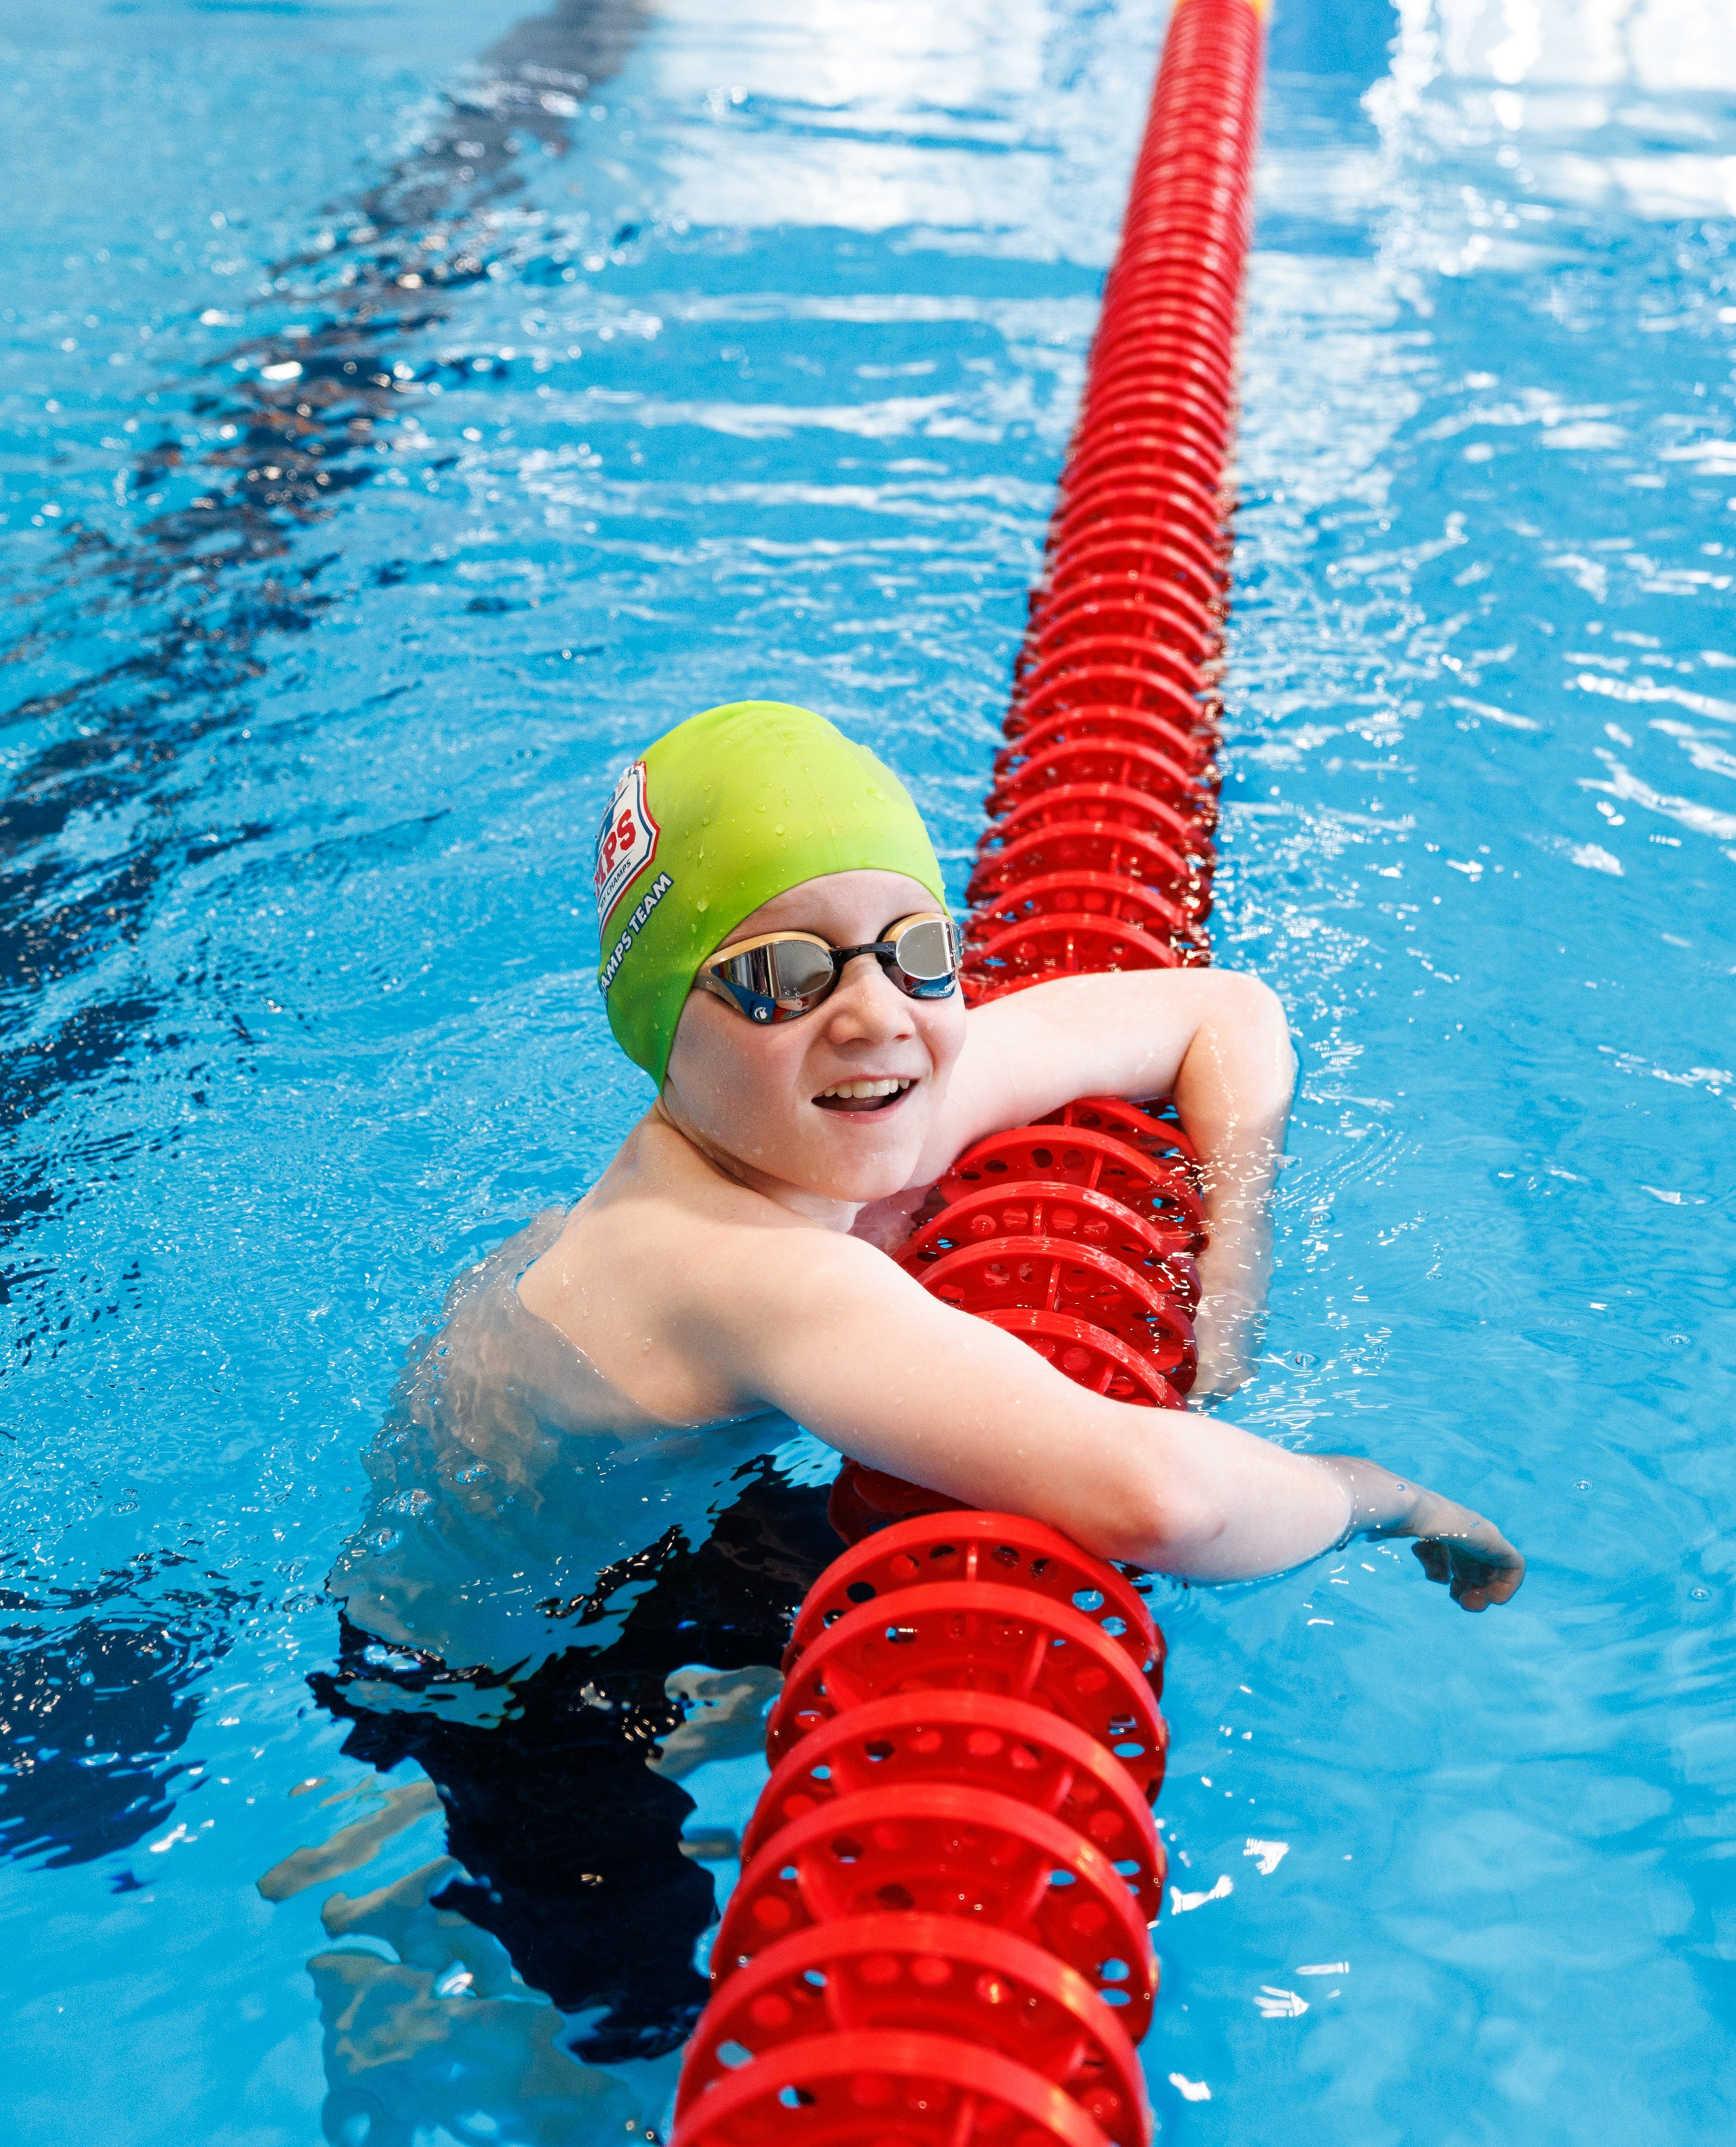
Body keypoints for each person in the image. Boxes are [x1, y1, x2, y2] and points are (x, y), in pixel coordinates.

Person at [319, 698, 1520, 2063]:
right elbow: (1156, 1497)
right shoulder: (739, 1266)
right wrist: (1380, 1495)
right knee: (641, 2002)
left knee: (851, 1634)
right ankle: (418, 1945)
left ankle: (675, 1713)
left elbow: (1218, 1009)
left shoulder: (819, 1114)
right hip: (489, 1677)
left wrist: (1231, 1243)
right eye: (781, 973)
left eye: (918, 953)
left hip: (640, 1527)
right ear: (663, 1029)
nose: (874, 1017)